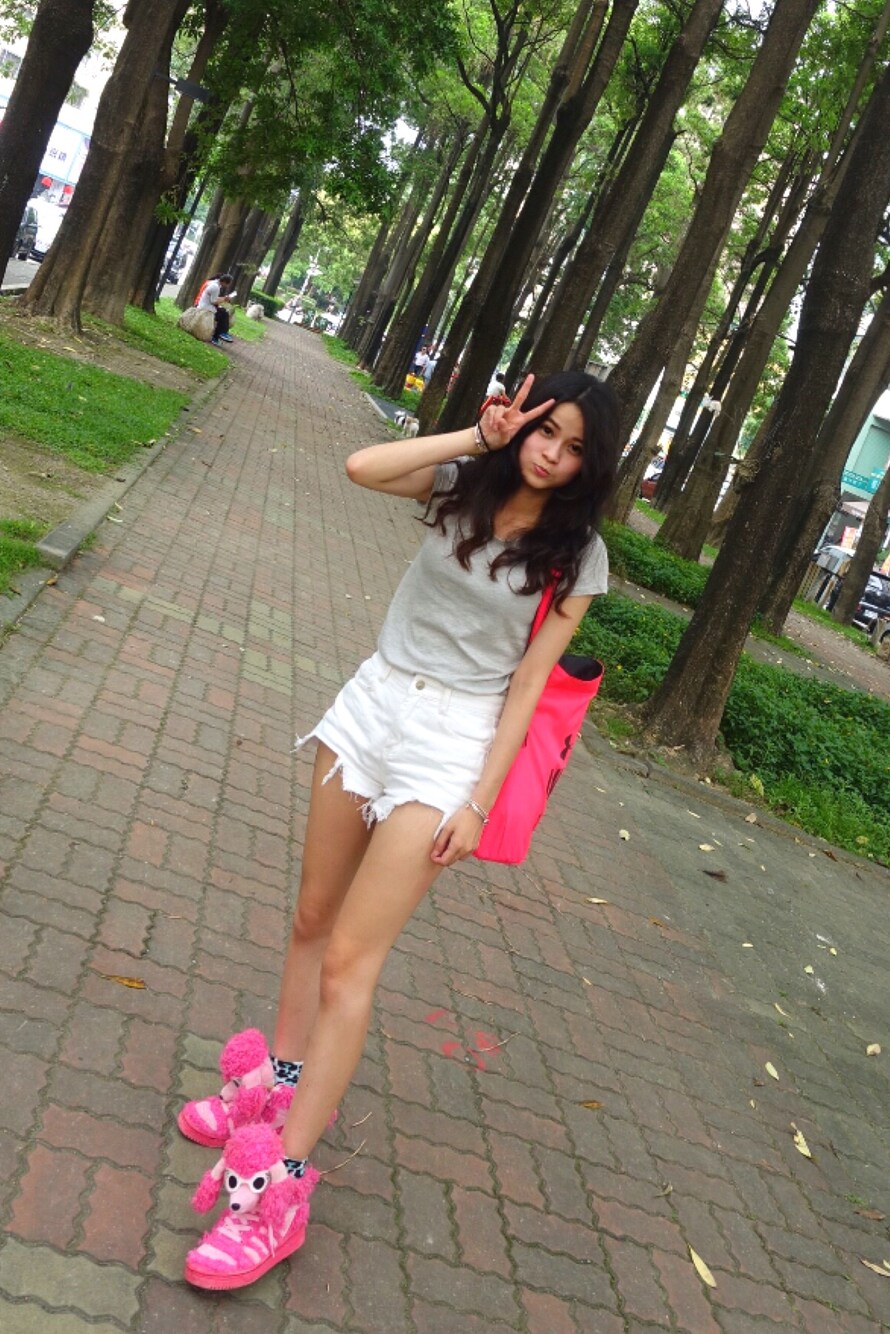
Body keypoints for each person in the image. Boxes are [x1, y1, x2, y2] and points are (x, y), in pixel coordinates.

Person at [177, 371, 619, 1291]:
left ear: (592, 464)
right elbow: (361, 466)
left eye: (576, 447)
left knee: (350, 960)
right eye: (547, 431)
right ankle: (276, 1086)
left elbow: (529, 685)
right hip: (374, 699)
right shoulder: (466, 482)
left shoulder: (577, 555)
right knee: (311, 918)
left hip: (453, 742)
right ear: (525, 421)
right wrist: (476, 437)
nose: (552, 454)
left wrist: (478, 802)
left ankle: (280, 1188)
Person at [197, 272, 236, 345]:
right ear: (224, 282)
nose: (227, 286)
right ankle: (220, 334)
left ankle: (220, 334)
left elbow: (214, 298)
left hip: (205, 304)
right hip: (206, 307)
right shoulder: (215, 287)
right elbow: (213, 301)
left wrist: (224, 298)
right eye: (228, 284)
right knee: (224, 314)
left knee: (223, 311)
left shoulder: (214, 284)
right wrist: (224, 299)